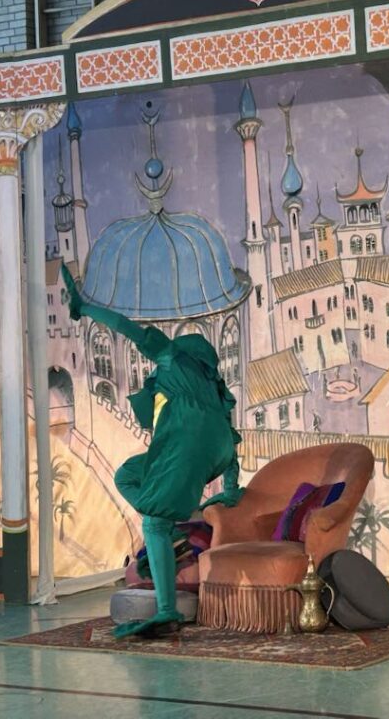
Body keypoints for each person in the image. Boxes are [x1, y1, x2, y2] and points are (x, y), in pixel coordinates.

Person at [62, 263, 244, 638]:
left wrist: (84, 308)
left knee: (154, 523)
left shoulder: (172, 359)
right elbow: (228, 441)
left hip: (187, 444)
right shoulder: (212, 388)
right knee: (128, 474)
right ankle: (173, 528)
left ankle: (166, 609)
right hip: (216, 451)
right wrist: (229, 488)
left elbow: (126, 328)